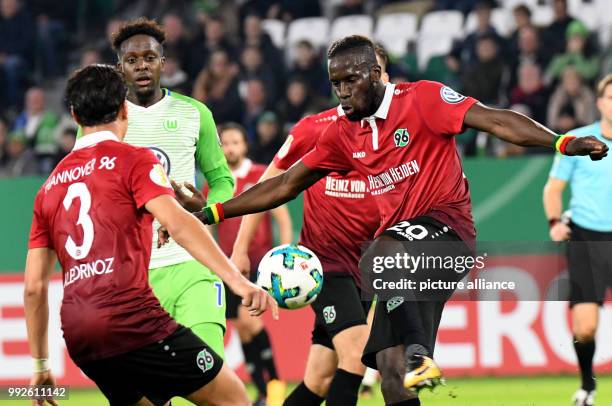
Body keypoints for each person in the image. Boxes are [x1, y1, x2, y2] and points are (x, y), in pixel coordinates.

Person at [198, 35, 607, 406]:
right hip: (402, 264)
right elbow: (285, 185)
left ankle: (420, 352)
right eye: (335, 83)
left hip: (448, 233)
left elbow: (496, 119)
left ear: (376, 74)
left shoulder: (423, 100)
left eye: (350, 80)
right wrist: (214, 211)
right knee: (391, 374)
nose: (341, 92)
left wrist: (560, 140)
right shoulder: (341, 134)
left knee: (381, 252)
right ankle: (414, 358)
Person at [24, 65, 277, 406]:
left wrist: (41, 365)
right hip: (132, 322)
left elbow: (34, 287)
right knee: (233, 399)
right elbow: (179, 223)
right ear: (124, 109)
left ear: (73, 114)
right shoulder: (133, 159)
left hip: (80, 337)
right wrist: (238, 281)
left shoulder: (49, 187)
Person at [230, 43, 390, 406]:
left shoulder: (396, 134)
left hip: (366, 268)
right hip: (325, 265)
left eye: (373, 72)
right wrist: (240, 250)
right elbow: (267, 188)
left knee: (318, 380)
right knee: (357, 357)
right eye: (351, 76)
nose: (361, 81)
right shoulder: (313, 129)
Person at [111, 18, 235, 359]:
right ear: (119, 67)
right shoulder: (105, 121)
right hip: (133, 274)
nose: (141, 66)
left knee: (211, 375)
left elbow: (223, 180)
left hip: (191, 261)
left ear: (163, 63)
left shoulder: (195, 113)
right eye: (132, 60)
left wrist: (206, 210)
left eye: (149, 58)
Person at [543, 73, 612, 406]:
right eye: (610, 97)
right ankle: (588, 386)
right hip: (586, 236)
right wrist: (555, 221)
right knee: (585, 327)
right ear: (599, 103)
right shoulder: (579, 140)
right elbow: (553, 189)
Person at [216, 122, 292, 406]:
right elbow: (210, 227)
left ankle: (273, 384)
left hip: (258, 261)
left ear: (245, 145)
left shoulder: (260, 175)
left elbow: (282, 218)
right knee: (241, 326)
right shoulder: (216, 180)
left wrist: (283, 256)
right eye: (225, 143)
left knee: (249, 320)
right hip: (227, 265)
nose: (231, 147)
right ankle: (262, 390)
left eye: (235, 142)